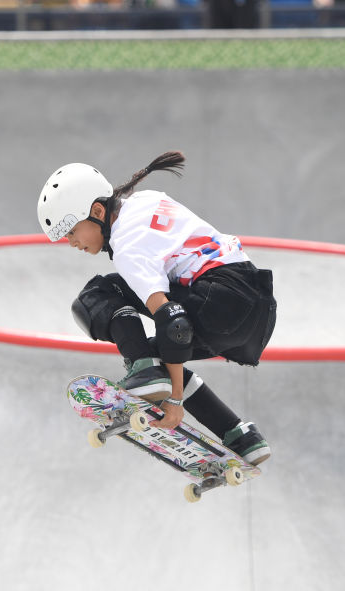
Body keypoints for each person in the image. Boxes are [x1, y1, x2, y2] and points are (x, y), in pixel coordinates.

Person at [36, 152, 275, 465]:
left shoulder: (127, 246)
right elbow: (176, 325)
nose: (71, 243)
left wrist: (173, 399)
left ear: (96, 210)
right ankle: (240, 435)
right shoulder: (146, 200)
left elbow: (174, 323)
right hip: (255, 308)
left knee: (97, 294)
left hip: (221, 297)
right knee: (161, 356)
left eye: (71, 231)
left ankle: (145, 369)